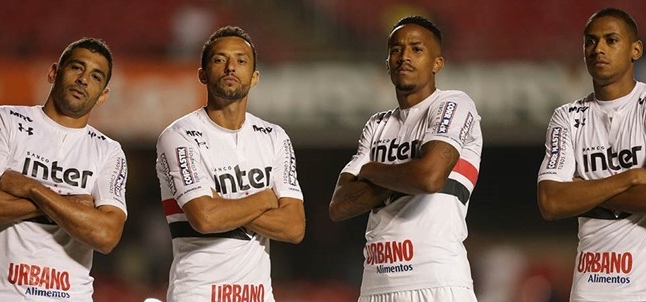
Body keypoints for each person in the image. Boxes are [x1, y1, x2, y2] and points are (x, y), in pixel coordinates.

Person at [536, 8, 646, 302]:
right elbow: (551, 202)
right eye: (590, 41)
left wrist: (584, 192)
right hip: (595, 289)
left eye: (611, 40)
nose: (598, 48)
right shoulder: (567, 117)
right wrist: (628, 179)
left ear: (635, 50)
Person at [0, 37, 128, 301]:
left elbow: (106, 235)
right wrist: (70, 205)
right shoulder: (5, 121)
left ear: (103, 95)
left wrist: (32, 188)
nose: (83, 79)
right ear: (53, 73)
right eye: (76, 67)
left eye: (96, 76)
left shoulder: (108, 151)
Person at [329, 15, 482, 302]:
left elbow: (429, 177)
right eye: (396, 50)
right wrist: (406, 173)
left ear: (437, 63)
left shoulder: (454, 104)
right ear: (387, 62)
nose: (404, 57)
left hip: (437, 282)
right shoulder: (377, 125)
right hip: (376, 285)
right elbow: (339, 205)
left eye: (416, 49)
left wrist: (373, 169)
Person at [155, 25, 305, 302]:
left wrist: (223, 204)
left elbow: (294, 227)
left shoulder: (275, 137)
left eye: (241, 60)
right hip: (198, 294)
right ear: (202, 74)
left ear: (255, 76)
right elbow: (205, 218)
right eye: (219, 59)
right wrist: (265, 198)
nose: (230, 67)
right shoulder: (179, 136)